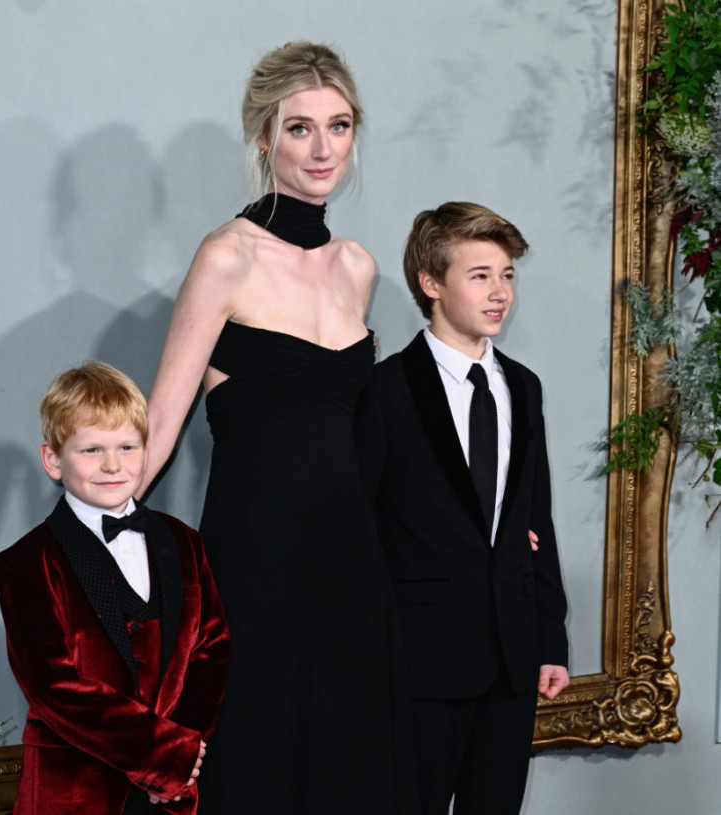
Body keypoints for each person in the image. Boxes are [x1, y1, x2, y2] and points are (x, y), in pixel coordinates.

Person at [143, 41, 413, 814]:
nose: (323, 148)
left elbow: (358, 437)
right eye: (300, 128)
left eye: (339, 125)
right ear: (264, 137)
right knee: (254, 760)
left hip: (350, 562)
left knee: (343, 764)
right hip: (254, 558)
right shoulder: (226, 257)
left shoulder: (357, 267)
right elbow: (160, 423)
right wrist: (87, 545)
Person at [354, 202, 570, 815]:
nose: (500, 293)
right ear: (431, 283)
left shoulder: (522, 386)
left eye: (507, 276)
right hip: (419, 660)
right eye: (480, 276)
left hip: (512, 657)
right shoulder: (385, 390)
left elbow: (535, 519)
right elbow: (359, 531)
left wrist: (550, 639)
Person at [0, 362, 230, 815]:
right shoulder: (24, 563)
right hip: (75, 791)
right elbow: (53, 686)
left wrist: (182, 756)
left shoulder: (183, 541)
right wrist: (160, 755)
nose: (112, 465)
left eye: (126, 446)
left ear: (146, 450)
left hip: (174, 791)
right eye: (91, 450)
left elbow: (211, 649)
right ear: (53, 460)